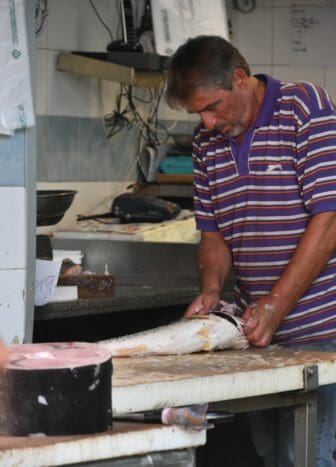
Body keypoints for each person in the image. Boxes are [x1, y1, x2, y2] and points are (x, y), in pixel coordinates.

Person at [165, 35, 336, 466]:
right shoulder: (206, 145)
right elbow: (213, 233)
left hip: (324, 330)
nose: (205, 123)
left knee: (308, 456)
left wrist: (278, 303)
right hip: (258, 335)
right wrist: (210, 287)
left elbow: (329, 217)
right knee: (270, 453)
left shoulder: (303, 106)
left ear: (240, 79)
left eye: (212, 107)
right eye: (197, 113)